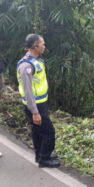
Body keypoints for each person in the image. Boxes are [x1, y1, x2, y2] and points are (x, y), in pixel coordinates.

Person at [17, 34, 60, 168]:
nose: (44, 46)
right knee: (49, 132)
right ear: (35, 45)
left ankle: (40, 155)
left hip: (41, 102)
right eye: (42, 44)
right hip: (34, 105)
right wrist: (35, 112)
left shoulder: (36, 61)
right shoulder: (26, 66)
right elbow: (28, 91)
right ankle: (44, 159)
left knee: (37, 131)